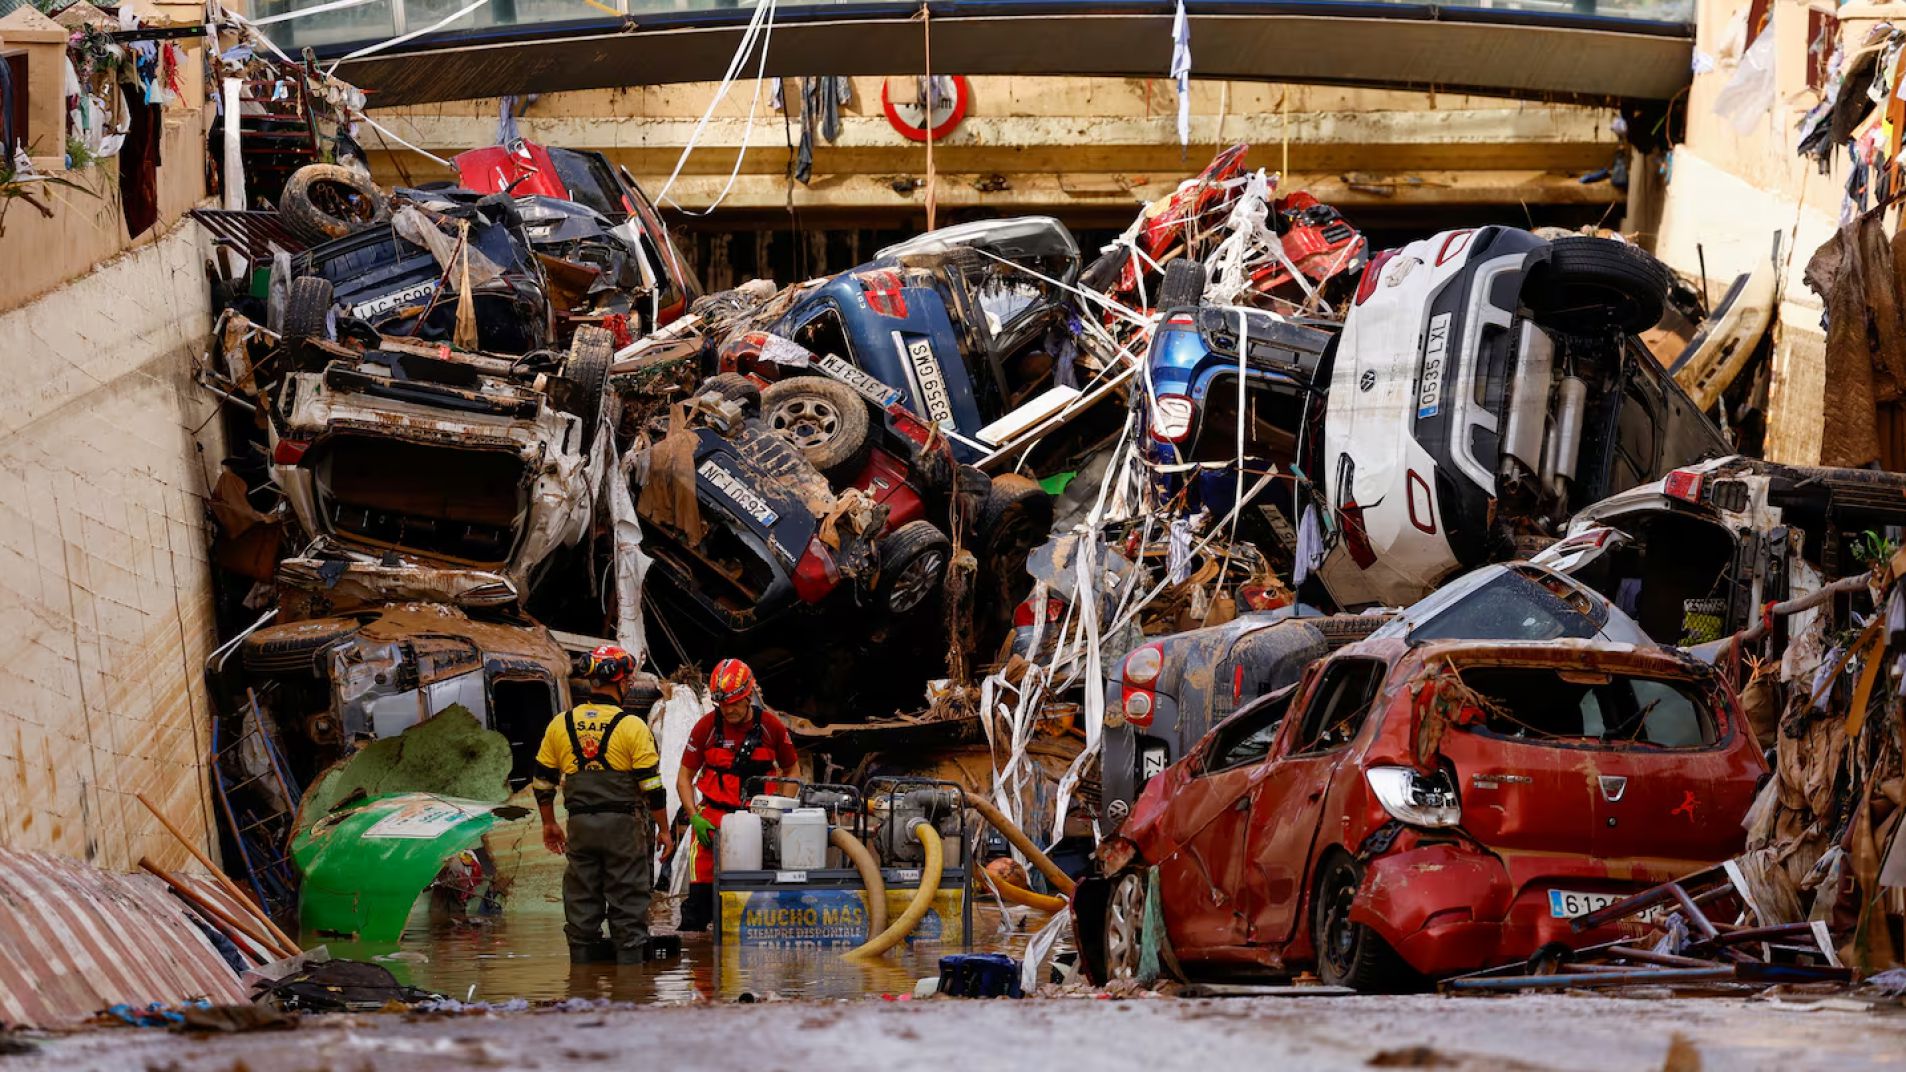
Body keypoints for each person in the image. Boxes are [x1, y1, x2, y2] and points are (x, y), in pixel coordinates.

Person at [532, 644, 674, 964]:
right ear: (622, 682)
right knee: (628, 907)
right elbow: (652, 787)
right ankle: (630, 981)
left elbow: (542, 781)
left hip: (580, 827)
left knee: (581, 904)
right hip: (623, 830)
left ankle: (582, 980)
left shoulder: (560, 724)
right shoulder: (632, 726)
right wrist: (665, 830)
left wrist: (549, 823)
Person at [674, 658, 799, 932]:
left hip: (758, 820)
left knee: (758, 906)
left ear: (748, 695)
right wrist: (694, 816)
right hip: (711, 821)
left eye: (734, 703)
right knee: (698, 908)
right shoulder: (706, 727)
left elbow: (792, 769)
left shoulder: (771, 727)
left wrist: (782, 813)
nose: (728, 710)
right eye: (722, 704)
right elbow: (684, 777)